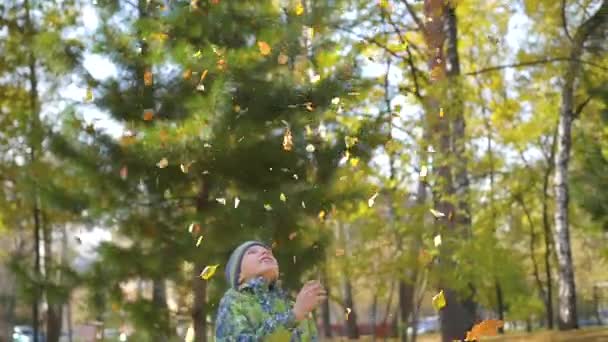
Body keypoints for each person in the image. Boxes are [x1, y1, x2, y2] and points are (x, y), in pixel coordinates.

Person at [215, 240, 326, 341]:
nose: (265, 253)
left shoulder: (295, 307)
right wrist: (293, 317)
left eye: (269, 252)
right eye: (252, 252)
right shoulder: (233, 301)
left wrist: (297, 312)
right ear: (239, 276)